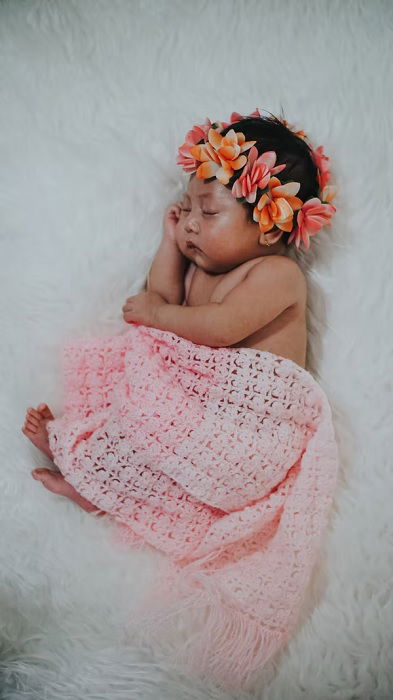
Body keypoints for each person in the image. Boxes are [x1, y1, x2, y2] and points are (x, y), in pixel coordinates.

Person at [21, 108, 336, 513]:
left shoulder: (277, 274)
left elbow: (218, 327)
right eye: (186, 208)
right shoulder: (202, 265)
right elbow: (163, 302)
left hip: (248, 438)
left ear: (269, 226)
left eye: (208, 212)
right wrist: (169, 245)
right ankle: (90, 466)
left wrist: (156, 315)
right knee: (138, 396)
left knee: (152, 415)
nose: (190, 223)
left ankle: (99, 484)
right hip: (201, 418)